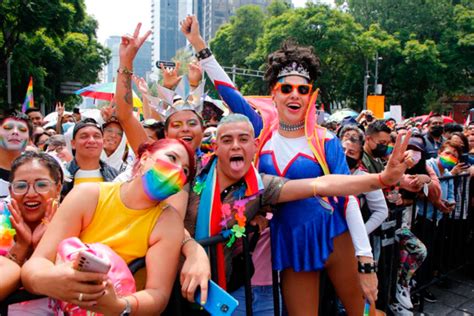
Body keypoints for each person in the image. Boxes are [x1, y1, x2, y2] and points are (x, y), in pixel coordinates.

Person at [180, 16, 386, 314]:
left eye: (303, 90)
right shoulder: (260, 134)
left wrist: (365, 261)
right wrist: (199, 44)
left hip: (334, 236)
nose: (294, 95)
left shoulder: (325, 139)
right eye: (286, 88)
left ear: (311, 96)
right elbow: (228, 90)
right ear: (274, 93)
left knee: (364, 312)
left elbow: (348, 199)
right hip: (291, 244)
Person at [21, 139, 195, 315]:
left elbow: (157, 295)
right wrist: (53, 280)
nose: (178, 170)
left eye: (185, 171)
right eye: (172, 157)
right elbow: (36, 264)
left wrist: (119, 306)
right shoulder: (88, 195)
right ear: (144, 158)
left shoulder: (168, 222)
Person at [4, 152, 63, 314]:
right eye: (21, 186)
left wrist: (41, 248)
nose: (30, 193)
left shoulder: (75, 225)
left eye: (42, 185)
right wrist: (21, 245)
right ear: (10, 190)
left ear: (58, 188)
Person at [61, 118, 118, 196]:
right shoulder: (61, 176)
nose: (91, 141)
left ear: (103, 142)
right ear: (73, 143)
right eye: (84, 136)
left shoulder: (116, 176)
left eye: (96, 136)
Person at [0, 110, 33, 201]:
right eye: (8, 128)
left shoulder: (38, 172)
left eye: (22, 130)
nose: (15, 132)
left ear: (30, 140)